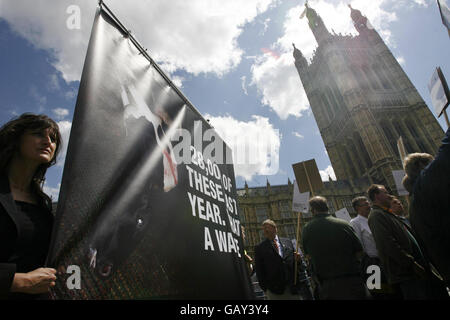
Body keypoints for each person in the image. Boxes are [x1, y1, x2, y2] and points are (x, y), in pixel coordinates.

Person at [0, 113, 62, 299]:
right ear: (15, 139)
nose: (47, 142)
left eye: (52, 139)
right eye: (38, 134)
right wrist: (17, 281)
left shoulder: (44, 204)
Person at [367, 184, 447, 299]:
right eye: (385, 192)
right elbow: (388, 244)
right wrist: (411, 263)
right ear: (377, 196)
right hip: (407, 273)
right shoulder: (376, 216)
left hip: (416, 268)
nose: (389, 195)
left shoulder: (386, 213)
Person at [402, 127, 450, 288]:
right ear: (423, 168)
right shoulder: (426, 185)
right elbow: (446, 153)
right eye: (430, 164)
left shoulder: (413, 207)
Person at [301, 196, 368, 300]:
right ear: (327, 207)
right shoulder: (344, 224)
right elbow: (359, 251)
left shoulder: (306, 229)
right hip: (352, 280)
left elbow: (308, 255)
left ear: (312, 210)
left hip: (327, 285)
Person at [254, 219, 301, 300]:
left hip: (292, 288)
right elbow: (259, 270)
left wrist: (298, 260)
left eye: (267, 228)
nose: (265, 230)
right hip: (274, 290)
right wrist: (266, 289)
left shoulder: (288, 242)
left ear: (275, 228)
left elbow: (295, 263)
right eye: (263, 229)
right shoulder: (260, 248)